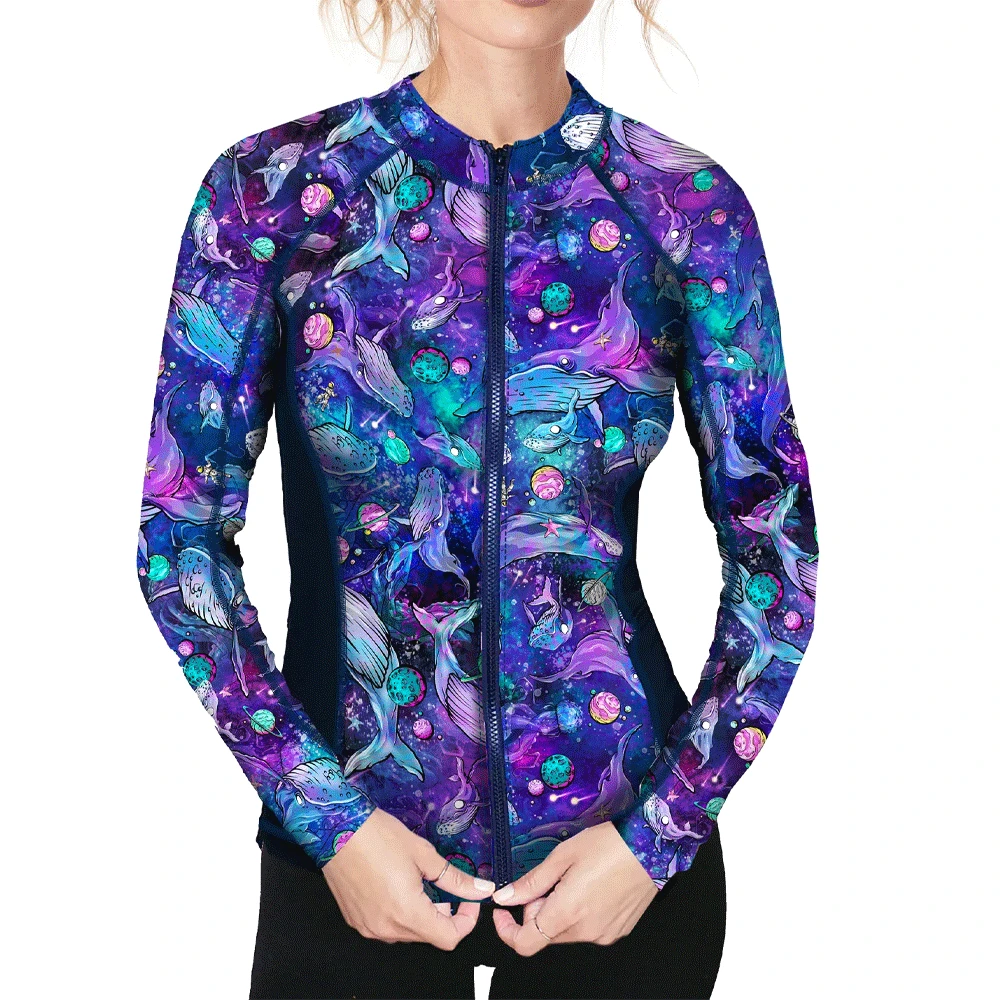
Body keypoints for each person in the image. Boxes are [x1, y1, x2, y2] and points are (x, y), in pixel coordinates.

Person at [136, 1, 818, 996]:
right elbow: (178, 538)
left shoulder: (681, 205)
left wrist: (659, 833)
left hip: (621, 877)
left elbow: (777, 553)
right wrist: (329, 820)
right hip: (351, 869)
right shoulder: (276, 191)